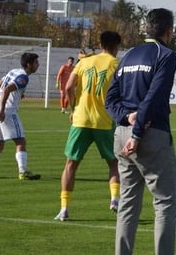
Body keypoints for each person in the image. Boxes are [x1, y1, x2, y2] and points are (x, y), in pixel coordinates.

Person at [105, 8, 176, 255]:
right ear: (169, 31)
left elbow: (110, 99)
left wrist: (126, 117)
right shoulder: (165, 55)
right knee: (165, 203)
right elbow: (153, 98)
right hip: (150, 134)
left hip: (121, 133)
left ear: (147, 28)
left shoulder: (128, 56)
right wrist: (137, 133)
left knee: (127, 202)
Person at [54, 31, 122, 222]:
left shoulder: (84, 62)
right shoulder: (116, 64)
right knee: (114, 163)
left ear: (100, 44)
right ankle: (115, 200)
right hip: (104, 121)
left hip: (81, 120)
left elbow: (68, 87)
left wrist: (74, 108)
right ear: (117, 46)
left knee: (71, 164)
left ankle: (64, 209)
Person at [0, 52, 41, 180]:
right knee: (20, 142)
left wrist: (18, 93)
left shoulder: (13, 71)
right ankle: (23, 171)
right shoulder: (23, 77)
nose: (38, 65)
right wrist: (2, 109)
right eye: (36, 63)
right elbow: (7, 89)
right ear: (28, 64)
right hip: (7, 111)